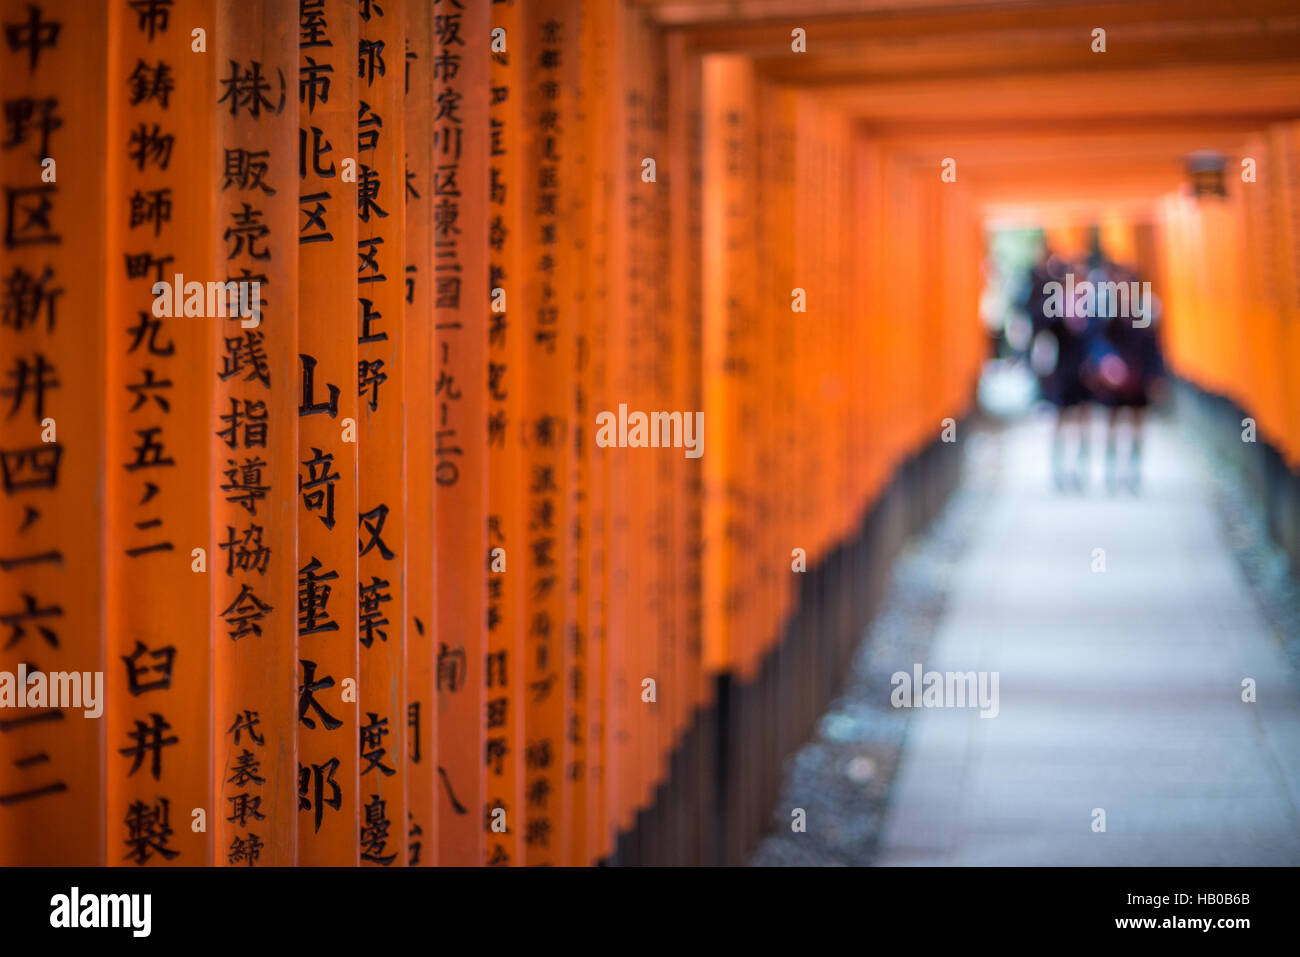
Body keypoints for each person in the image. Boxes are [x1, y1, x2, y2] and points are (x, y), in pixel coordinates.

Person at [1024, 239, 1092, 490]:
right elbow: (1039, 325)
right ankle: (1060, 467)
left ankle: (1079, 466)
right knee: (1061, 419)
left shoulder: (1091, 306)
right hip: (1062, 368)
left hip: (1081, 369)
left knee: (1082, 419)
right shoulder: (1052, 307)